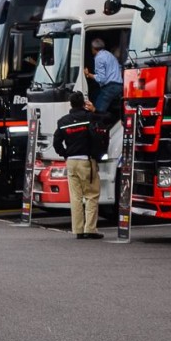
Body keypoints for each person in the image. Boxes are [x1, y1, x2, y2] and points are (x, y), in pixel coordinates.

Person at [52, 91, 103, 240]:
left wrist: (65, 153)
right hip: (86, 161)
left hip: (71, 162)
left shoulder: (63, 121)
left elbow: (56, 142)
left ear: (70, 104)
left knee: (75, 197)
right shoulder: (88, 118)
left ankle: (78, 230)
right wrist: (95, 111)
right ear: (83, 103)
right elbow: (106, 120)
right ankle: (90, 229)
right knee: (91, 195)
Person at [84, 38, 123, 115]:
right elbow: (120, 68)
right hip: (119, 87)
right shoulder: (109, 55)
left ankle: (99, 125)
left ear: (93, 49)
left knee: (97, 111)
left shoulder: (99, 58)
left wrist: (88, 74)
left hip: (110, 87)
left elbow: (101, 79)